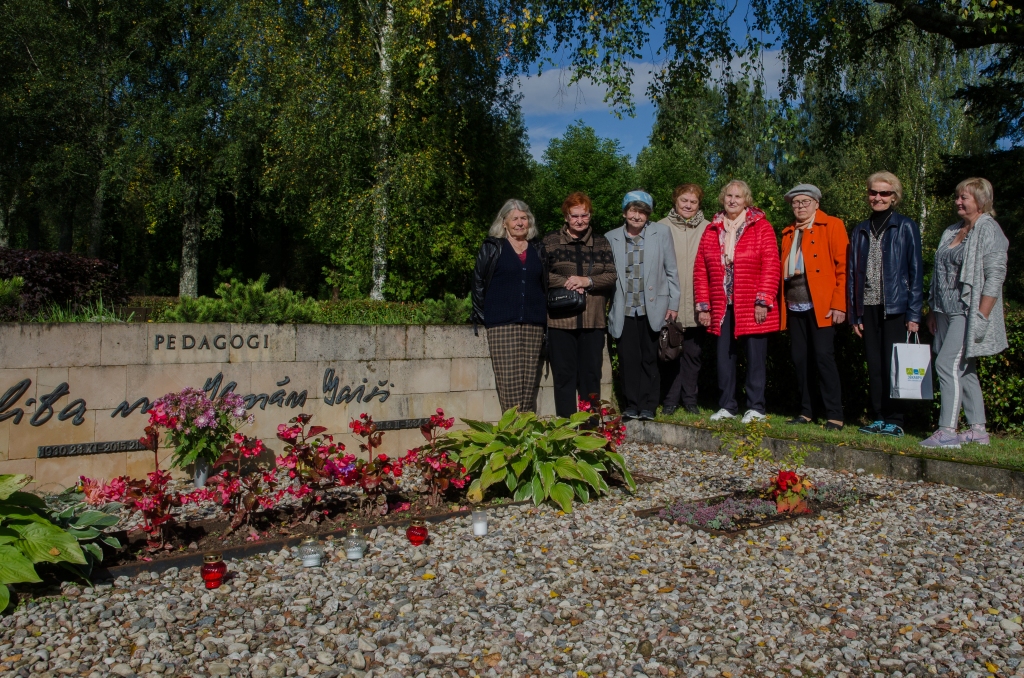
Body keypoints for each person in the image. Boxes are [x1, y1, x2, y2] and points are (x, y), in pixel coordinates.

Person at [921, 178, 1008, 448]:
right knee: (964, 368)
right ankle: (978, 430)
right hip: (944, 310)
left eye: (964, 197)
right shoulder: (951, 230)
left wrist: (981, 315)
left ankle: (947, 430)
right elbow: (939, 274)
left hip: (966, 311)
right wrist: (933, 310)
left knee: (946, 365)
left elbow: (995, 275)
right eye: (957, 196)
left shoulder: (988, 229)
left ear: (981, 201)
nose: (958, 201)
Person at [693, 179, 781, 424]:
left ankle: (756, 408)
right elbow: (701, 270)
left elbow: (771, 265)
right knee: (724, 357)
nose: (732, 200)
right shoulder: (712, 229)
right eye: (729, 196)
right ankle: (727, 406)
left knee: (755, 358)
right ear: (723, 198)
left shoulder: (761, 227)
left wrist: (763, 300)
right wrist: (704, 306)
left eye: (738, 197)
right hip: (722, 304)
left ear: (746, 201)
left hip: (752, 304)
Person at [847, 171, 923, 438]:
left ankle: (896, 419)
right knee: (874, 364)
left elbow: (915, 271)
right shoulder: (860, 230)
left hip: (896, 306)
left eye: (884, 193)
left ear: (894, 197)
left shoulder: (905, 226)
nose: (878, 197)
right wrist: (854, 314)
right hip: (868, 306)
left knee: (895, 364)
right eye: (873, 192)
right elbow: (852, 275)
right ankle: (878, 416)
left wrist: (914, 313)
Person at [779, 184, 849, 430]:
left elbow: (843, 267)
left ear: (816, 204)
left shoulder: (832, 225)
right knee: (800, 358)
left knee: (823, 358)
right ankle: (806, 411)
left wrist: (839, 304)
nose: (799, 207)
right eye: (795, 203)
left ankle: (834, 415)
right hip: (795, 305)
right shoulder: (788, 232)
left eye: (804, 202)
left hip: (823, 306)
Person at [606, 190, 680, 420]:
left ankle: (649, 405)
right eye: (632, 210)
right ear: (624, 212)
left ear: (648, 215)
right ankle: (631, 404)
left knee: (650, 358)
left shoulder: (662, 233)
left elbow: (671, 271)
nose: (637, 216)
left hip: (653, 307)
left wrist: (674, 303)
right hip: (624, 308)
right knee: (629, 360)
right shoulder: (611, 237)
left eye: (642, 212)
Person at [543, 192, 617, 417]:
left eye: (584, 215)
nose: (580, 220)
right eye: (575, 216)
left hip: (592, 320)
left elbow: (612, 275)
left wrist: (588, 281)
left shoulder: (601, 242)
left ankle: (590, 429)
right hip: (560, 322)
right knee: (563, 377)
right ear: (566, 216)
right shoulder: (550, 241)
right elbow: (542, 274)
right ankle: (565, 428)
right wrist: (568, 282)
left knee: (591, 377)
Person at [471, 199, 547, 413]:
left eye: (524, 218)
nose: (520, 223)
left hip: (533, 323)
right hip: (501, 324)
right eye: (515, 218)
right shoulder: (493, 247)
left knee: (528, 383)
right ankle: (513, 435)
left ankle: (527, 436)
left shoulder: (538, 248)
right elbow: (478, 281)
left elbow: (545, 283)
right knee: (509, 384)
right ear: (504, 222)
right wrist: (482, 314)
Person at [658, 183, 711, 415]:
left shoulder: (710, 228)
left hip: (700, 303)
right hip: (671, 304)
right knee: (670, 353)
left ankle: (690, 400)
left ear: (699, 204)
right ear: (675, 201)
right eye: (684, 201)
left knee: (693, 354)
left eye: (693, 201)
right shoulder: (660, 228)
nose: (688, 205)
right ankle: (669, 400)